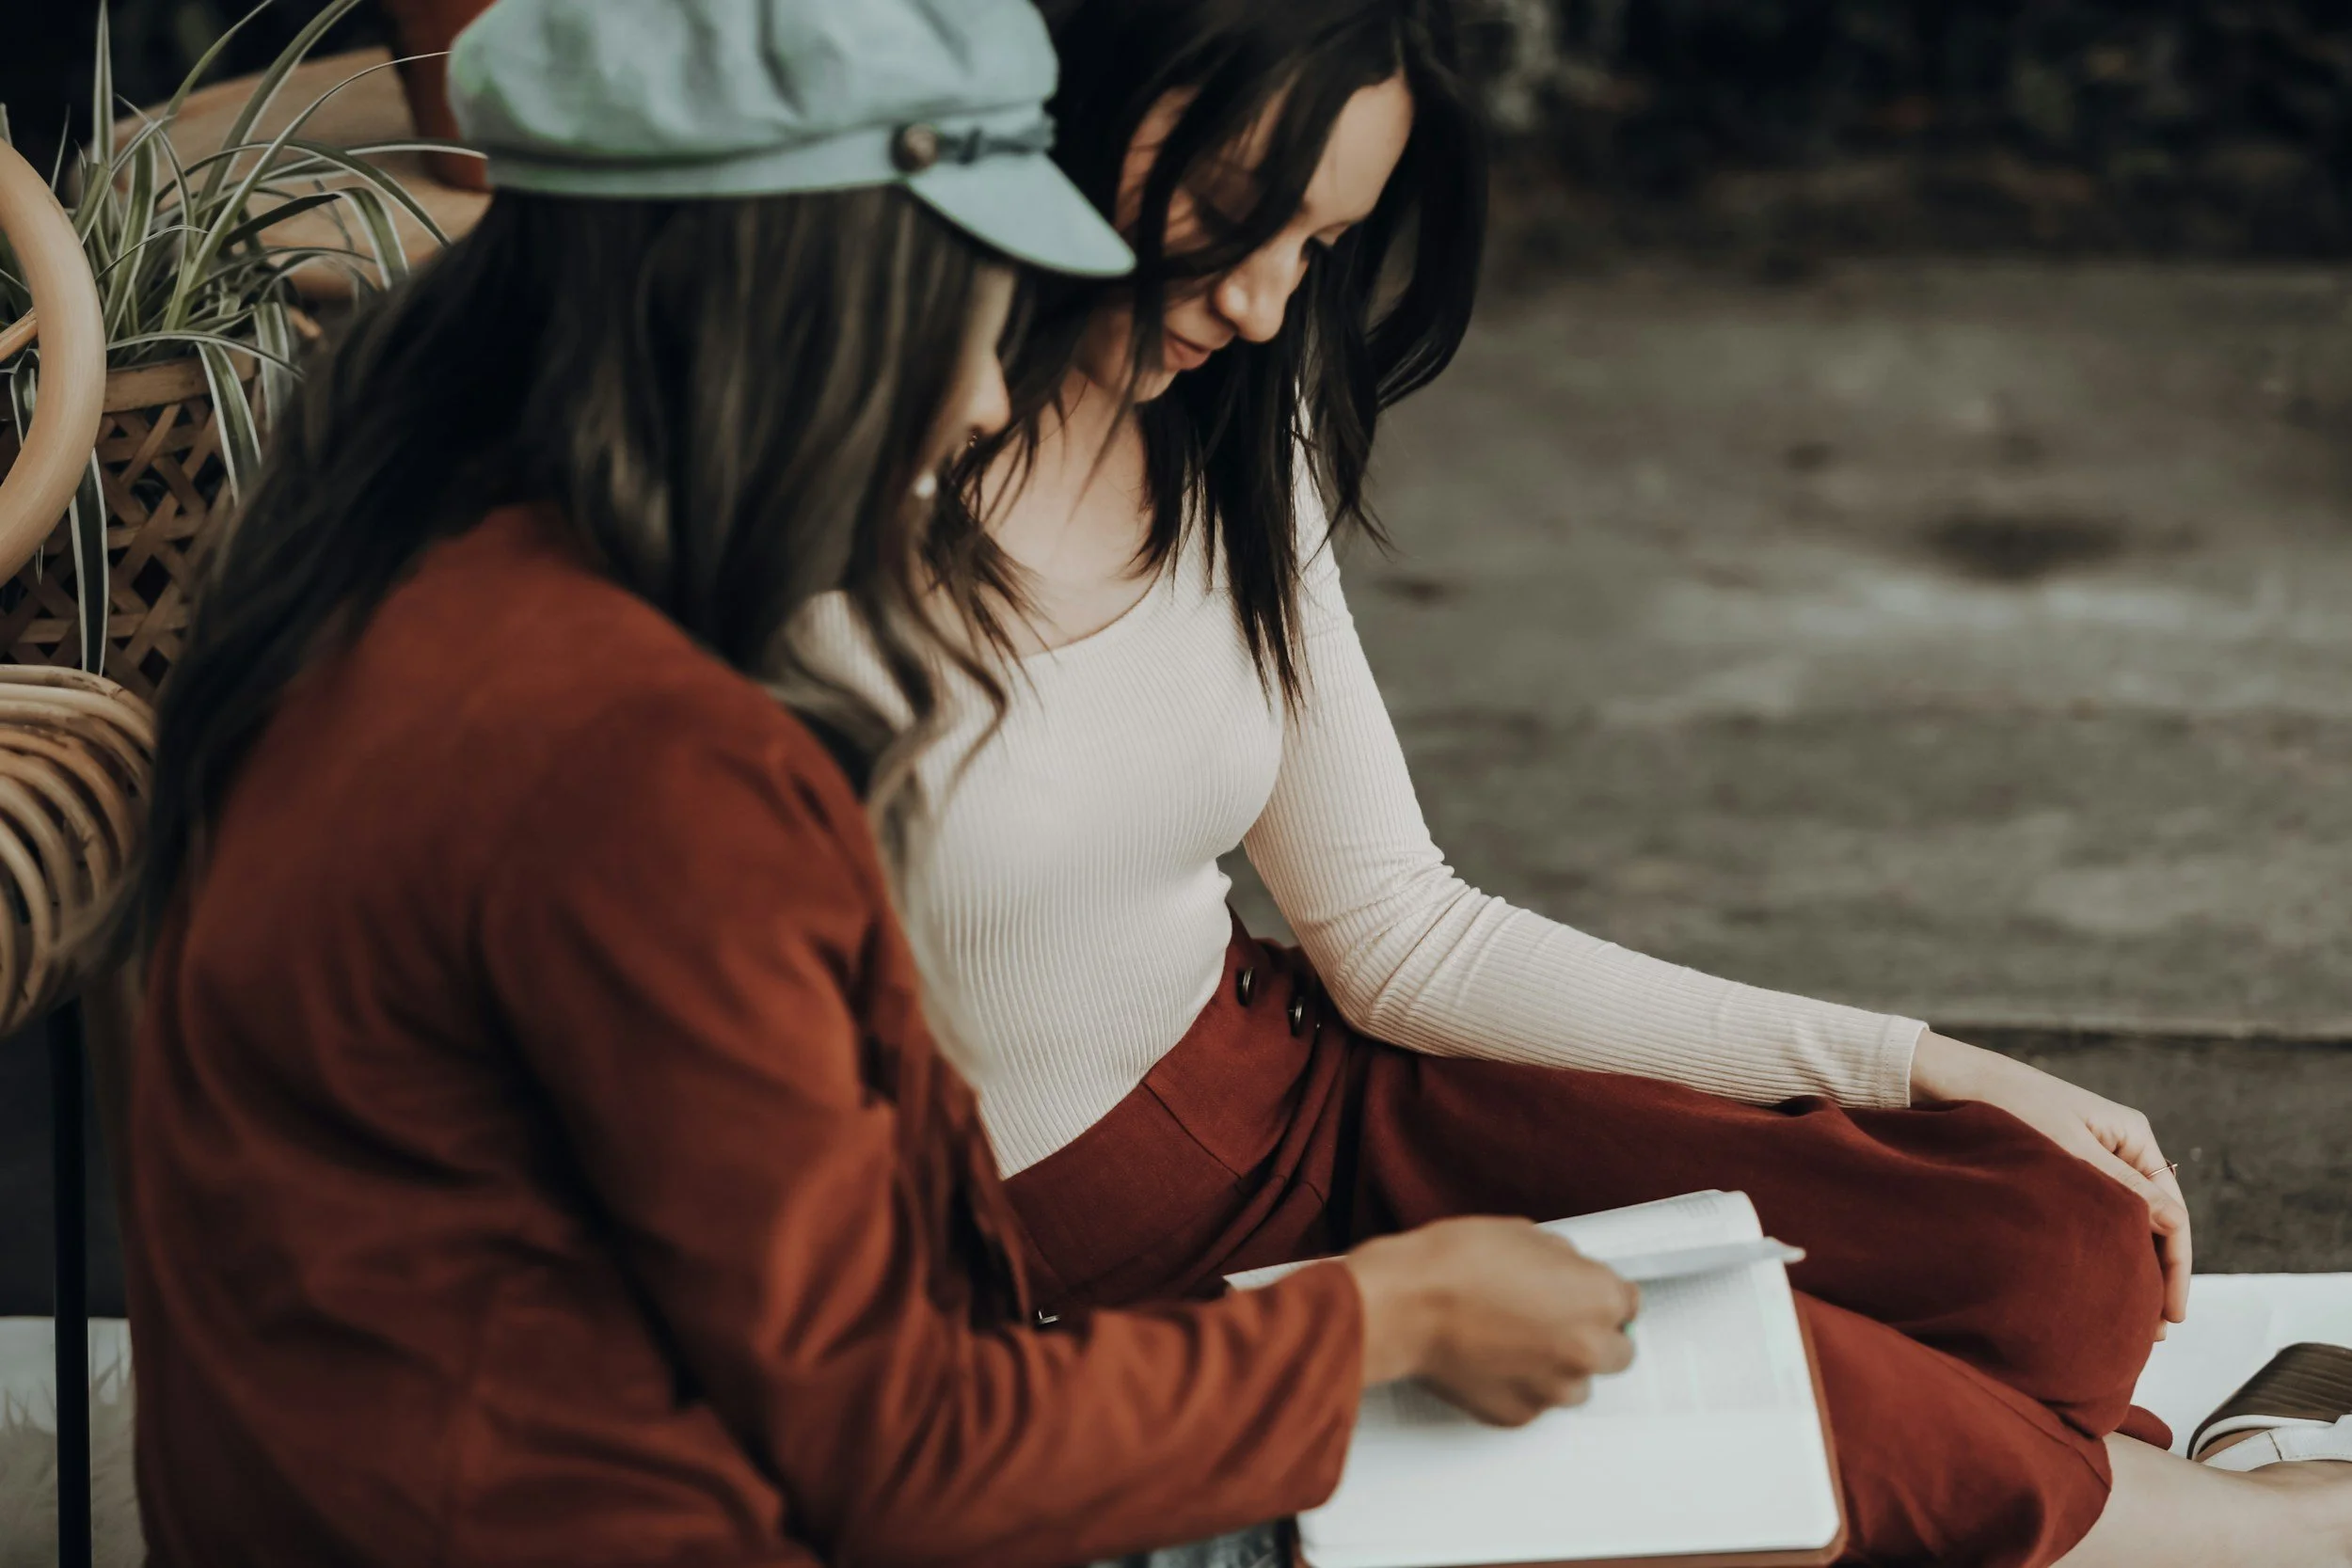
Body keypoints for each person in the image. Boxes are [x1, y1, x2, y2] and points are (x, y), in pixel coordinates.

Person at [794, 2, 2352, 1563]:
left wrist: (1918, 1063)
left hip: (1306, 1089)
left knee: (2054, 1248)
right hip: (1077, 1264)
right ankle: (2240, 1526)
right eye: (1230, 222)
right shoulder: (785, 532)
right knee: (1772, 1399)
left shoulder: (1218, 428)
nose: (1267, 305)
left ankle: (2028, 1483)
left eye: (1320, 248)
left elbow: (1401, 932)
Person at [112, 3, 1650, 1564]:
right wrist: (1385, 1314)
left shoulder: (386, 570)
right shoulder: (639, 759)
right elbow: (905, 1451)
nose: (991, 401)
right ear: (798, 307)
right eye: (968, 323)